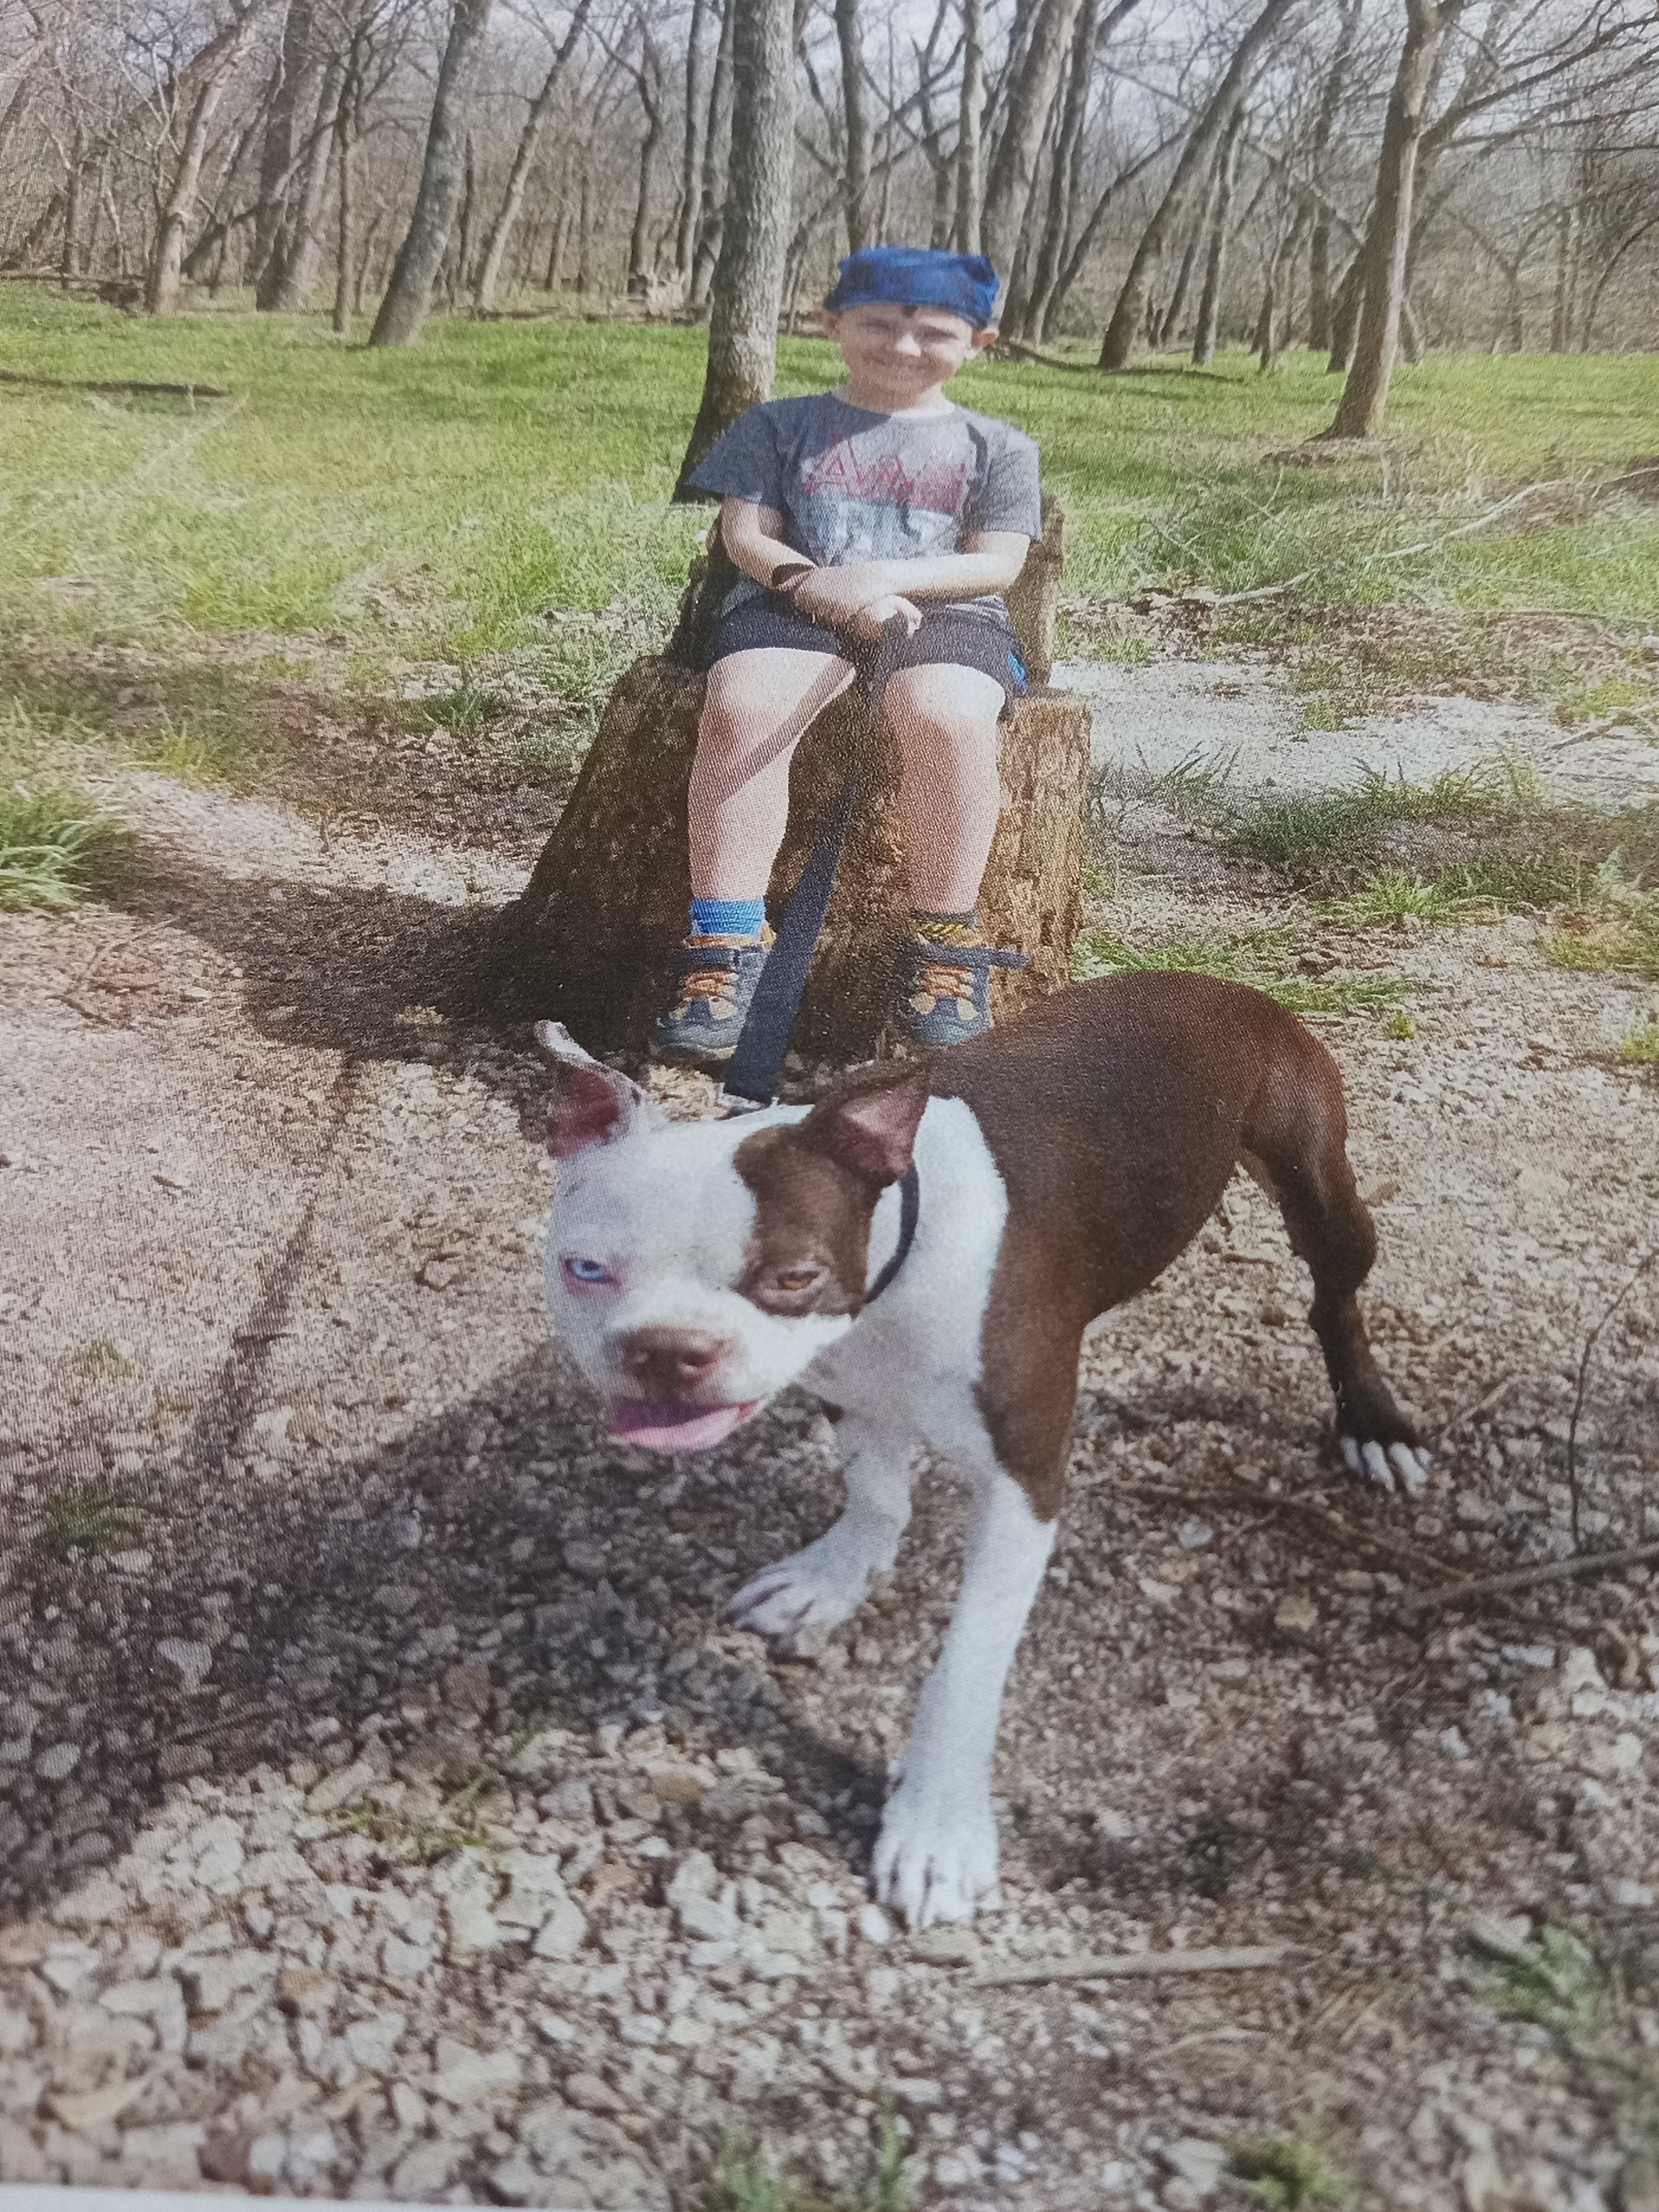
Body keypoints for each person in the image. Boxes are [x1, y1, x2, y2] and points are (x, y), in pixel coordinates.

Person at [655, 243, 1042, 1067]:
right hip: (793, 603)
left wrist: (879, 580)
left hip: (944, 611)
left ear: (980, 342)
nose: (903, 349)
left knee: (946, 719)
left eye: (935, 332)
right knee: (745, 708)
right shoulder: (777, 424)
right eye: (877, 325)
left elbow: (998, 562)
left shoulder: (998, 446)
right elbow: (744, 534)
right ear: (831, 324)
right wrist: (808, 580)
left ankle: (944, 944)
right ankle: (724, 946)